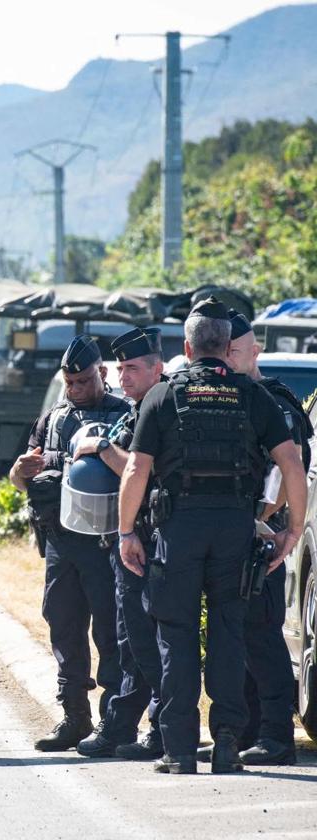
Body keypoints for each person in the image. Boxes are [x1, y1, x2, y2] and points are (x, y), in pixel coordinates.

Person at [118, 297, 306, 774]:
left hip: (178, 530)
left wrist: (126, 532)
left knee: (176, 636)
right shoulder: (254, 396)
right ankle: (225, 743)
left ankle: (179, 750)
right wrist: (293, 530)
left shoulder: (164, 395)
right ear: (226, 346)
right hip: (235, 530)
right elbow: (292, 463)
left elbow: (137, 468)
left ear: (187, 346)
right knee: (228, 634)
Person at [10, 335, 128, 752]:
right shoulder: (52, 418)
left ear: (102, 372)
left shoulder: (123, 415)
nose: (75, 389)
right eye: (69, 382)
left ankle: (115, 720)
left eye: (82, 380)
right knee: (63, 625)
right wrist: (21, 470)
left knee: (112, 631)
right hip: (60, 540)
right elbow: (19, 475)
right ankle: (74, 716)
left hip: (105, 542)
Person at [215, 312, 312, 766]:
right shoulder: (226, 398)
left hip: (262, 540)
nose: (226, 357)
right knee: (236, 638)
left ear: (254, 353)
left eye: (235, 350)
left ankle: (276, 734)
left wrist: (254, 519)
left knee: (261, 635)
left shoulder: (274, 403)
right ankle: (248, 730)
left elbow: (283, 476)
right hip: (230, 536)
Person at [71, 327, 166, 760]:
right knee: (129, 638)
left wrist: (101, 446)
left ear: (157, 368)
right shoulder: (137, 409)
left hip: (155, 540)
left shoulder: (163, 408)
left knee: (150, 639)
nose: (123, 376)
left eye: (133, 368)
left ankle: (159, 728)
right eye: (121, 368)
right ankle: (121, 724)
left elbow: (141, 473)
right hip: (128, 540)